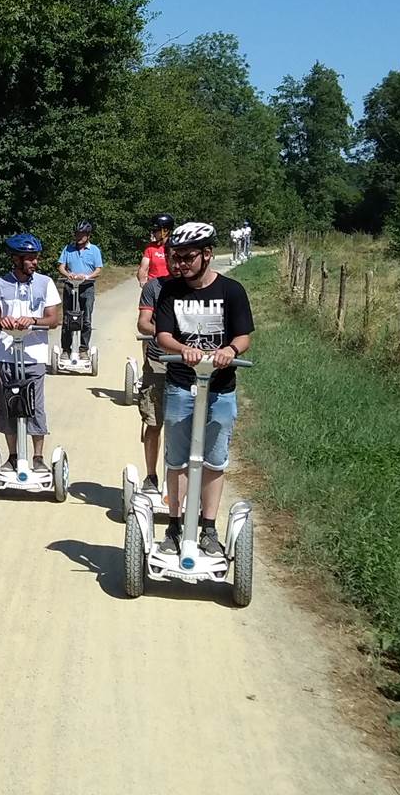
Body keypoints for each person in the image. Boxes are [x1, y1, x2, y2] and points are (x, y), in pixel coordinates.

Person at [152, 222, 254, 558]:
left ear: (207, 254)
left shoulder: (232, 291)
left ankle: (208, 528)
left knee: (213, 460)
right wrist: (183, 349)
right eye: (175, 257)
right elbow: (162, 335)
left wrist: (231, 351)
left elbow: (243, 336)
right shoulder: (170, 291)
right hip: (182, 384)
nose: (179, 264)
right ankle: (174, 525)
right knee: (178, 460)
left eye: (187, 257)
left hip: (221, 388)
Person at [0, 233, 62, 473]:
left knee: (34, 405)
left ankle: (37, 458)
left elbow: (53, 319)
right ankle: (13, 456)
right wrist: (2, 319)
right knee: (8, 404)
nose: (34, 262)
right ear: (16, 259)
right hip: (5, 355)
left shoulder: (45, 283)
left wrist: (33, 320)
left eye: (36, 258)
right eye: (29, 259)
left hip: (34, 355)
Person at [135, 243, 174, 496]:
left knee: (185, 425)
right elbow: (143, 324)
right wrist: (166, 335)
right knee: (154, 421)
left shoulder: (195, 290)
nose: (177, 261)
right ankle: (151, 476)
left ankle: (178, 481)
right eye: (173, 256)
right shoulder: (154, 287)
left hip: (189, 366)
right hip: (159, 361)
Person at [56, 220, 103, 362]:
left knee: (86, 319)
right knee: (67, 319)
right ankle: (66, 350)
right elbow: (61, 266)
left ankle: (83, 349)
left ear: (88, 235)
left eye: (82, 234)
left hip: (87, 287)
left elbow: (99, 269)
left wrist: (87, 276)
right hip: (70, 286)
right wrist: (67, 274)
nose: (79, 236)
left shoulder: (94, 250)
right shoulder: (68, 248)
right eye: (77, 234)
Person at [135, 213, 174, 286]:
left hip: (171, 286)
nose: (153, 233)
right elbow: (143, 269)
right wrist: (143, 281)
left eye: (156, 231)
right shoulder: (150, 248)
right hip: (154, 285)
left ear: (165, 231)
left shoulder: (175, 247)